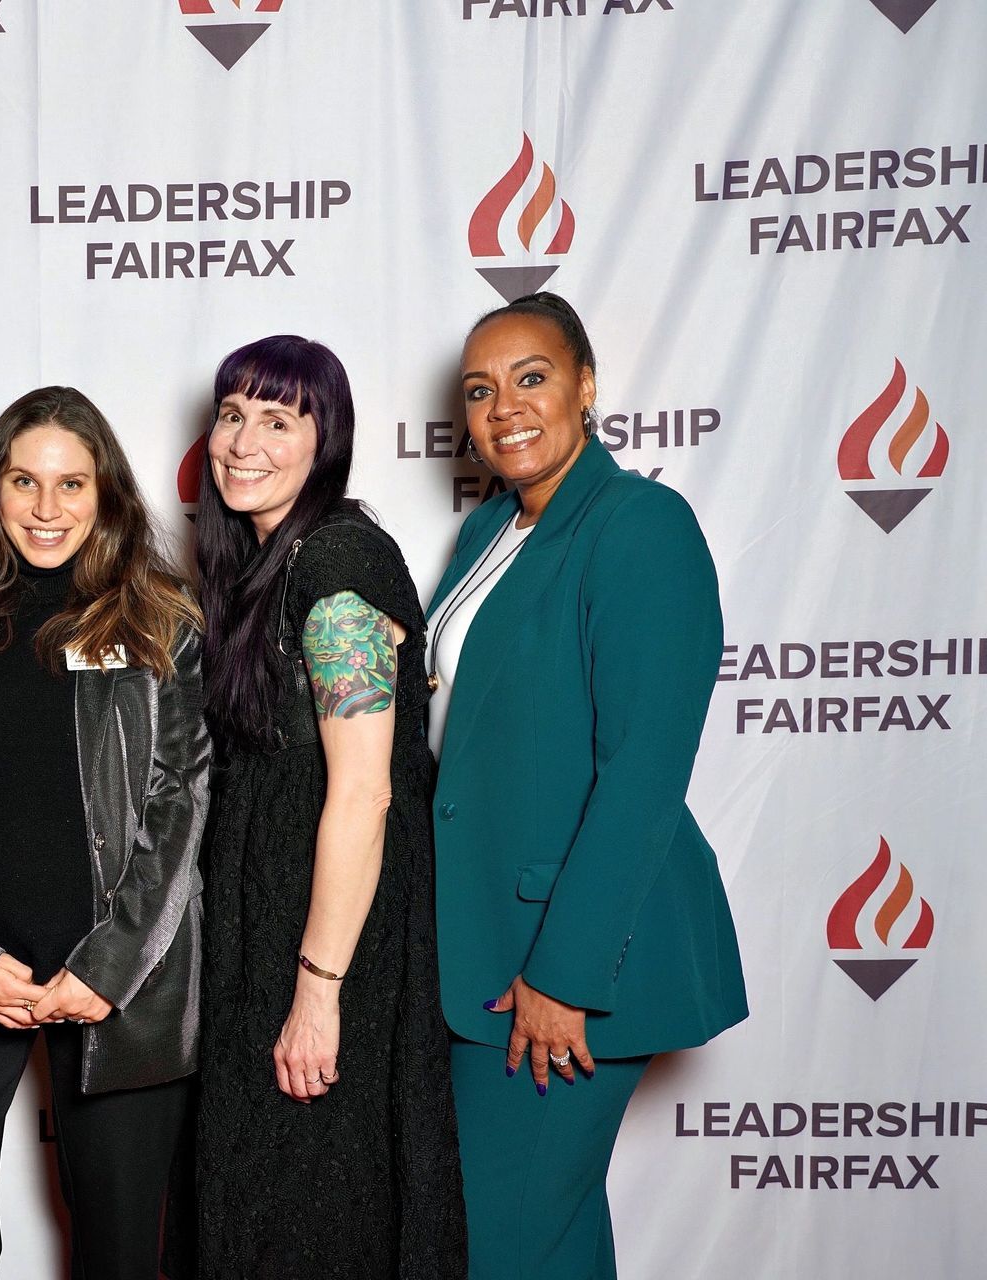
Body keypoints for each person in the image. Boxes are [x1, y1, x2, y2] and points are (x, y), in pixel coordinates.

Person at [427, 292, 747, 1278]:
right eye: (481, 390)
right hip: (480, 944)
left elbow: (642, 774)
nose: (504, 407)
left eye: (532, 377)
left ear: (587, 387)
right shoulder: (489, 531)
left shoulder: (641, 525)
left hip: (565, 960)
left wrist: (563, 975)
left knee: (499, 1243)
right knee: (547, 1236)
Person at [0, 386, 210, 1280]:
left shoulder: (159, 618)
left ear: (106, 493)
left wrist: (109, 968)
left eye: (72, 484)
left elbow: (180, 799)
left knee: (125, 1248)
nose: (47, 509)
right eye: (25, 482)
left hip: (121, 981)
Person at [193, 336, 466, 1278]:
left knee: (316, 1215)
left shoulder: (337, 567)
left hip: (322, 946)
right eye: (232, 414)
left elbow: (365, 790)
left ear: (327, 442)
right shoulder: (265, 565)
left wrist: (319, 993)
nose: (243, 441)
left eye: (278, 420)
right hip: (264, 930)